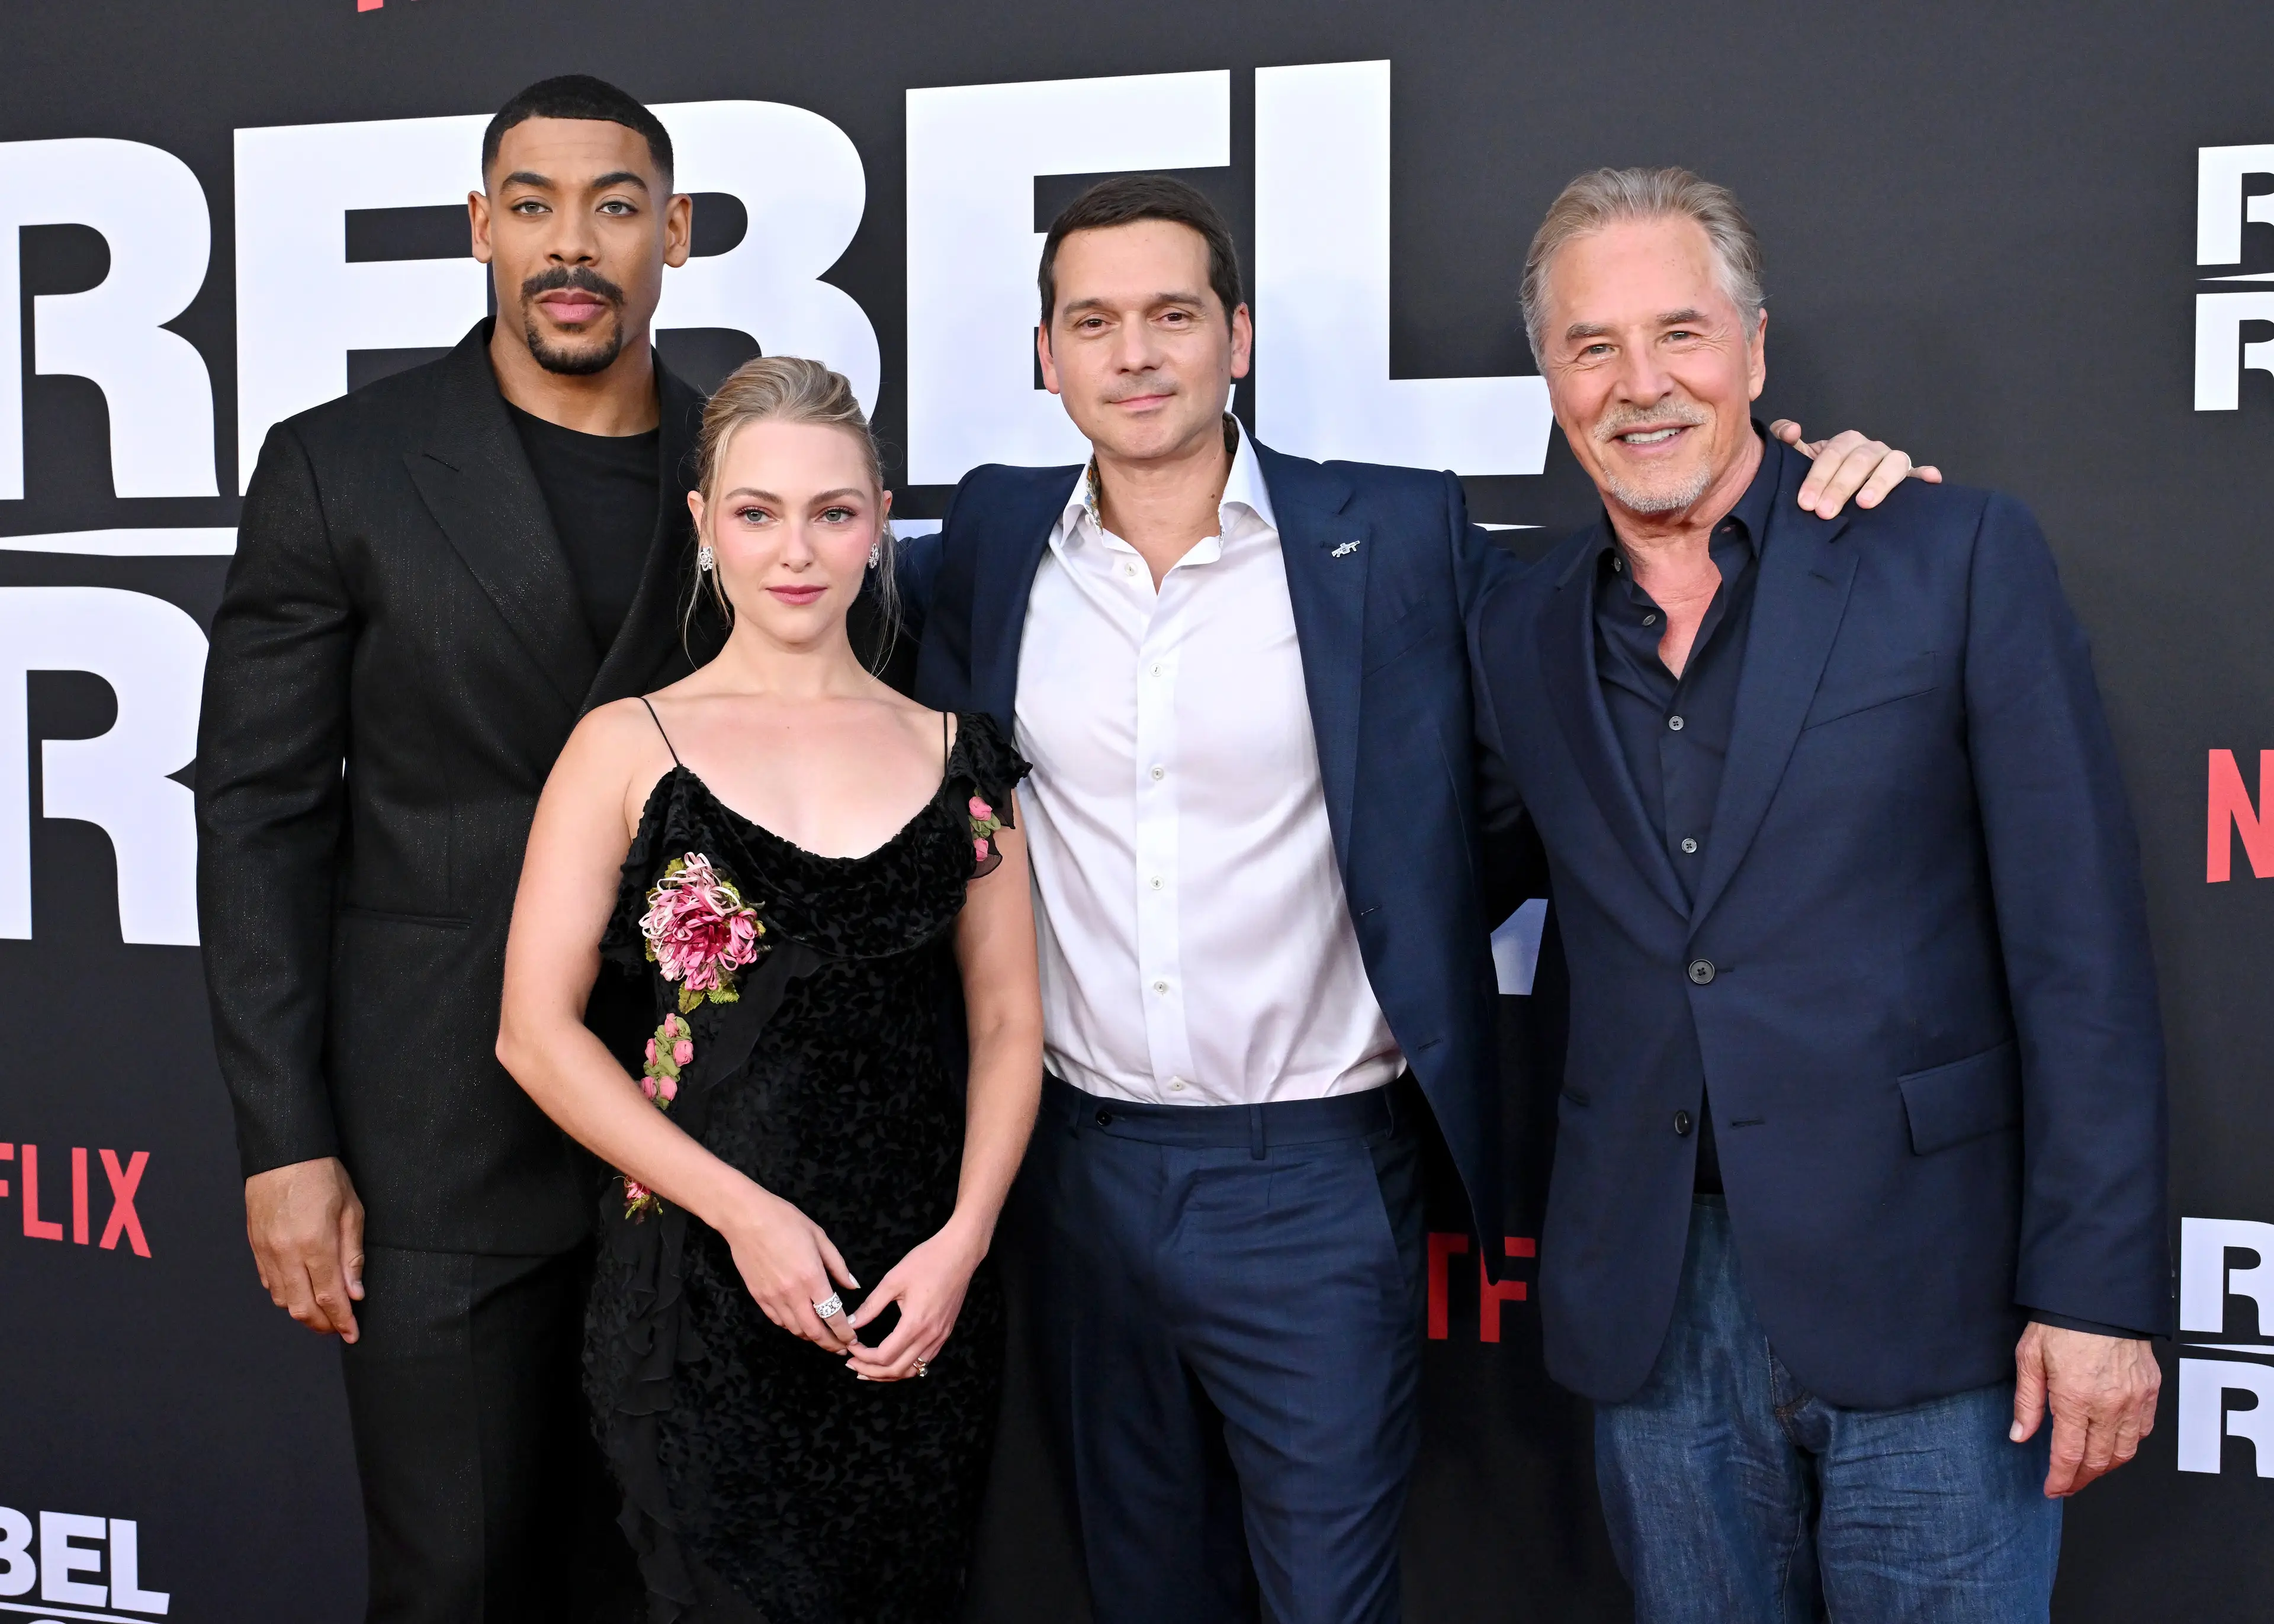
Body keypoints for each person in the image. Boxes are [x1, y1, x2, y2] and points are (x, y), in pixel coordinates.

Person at [908, 173, 1924, 1624]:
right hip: (1075, 1171)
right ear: (1045, 355)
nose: (1136, 354)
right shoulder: (996, 549)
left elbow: (1622, 647)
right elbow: (800, 584)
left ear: (1237, 338)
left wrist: (1840, 491)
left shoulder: (1394, 535)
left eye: (1174, 315)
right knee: (1139, 1591)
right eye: (1094, 321)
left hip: (1316, 1182)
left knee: (1333, 1602)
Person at [1468, 167, 2168, 1623]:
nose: (1640, 385)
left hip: (1934, 1290)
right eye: (1593, 346)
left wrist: (2096, 1294)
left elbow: (2081, 953)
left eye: (1682, 334)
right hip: (1651, 1306)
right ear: (1549, 378)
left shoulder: (1948, 555)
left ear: (1758, 351)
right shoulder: (1516, 623)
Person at [197, 75, 708, 1622]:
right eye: (535, 205)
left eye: (615, 205)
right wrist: (286, 1141)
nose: (575, 243)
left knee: (672, 1575)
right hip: (436, 1137)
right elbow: (263, 813)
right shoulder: (338, 464)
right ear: (482, 227)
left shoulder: (750, 467)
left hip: (699, 1136)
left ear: (672, 234)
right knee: (459, 1583)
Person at [496, 356, 1043, 1624]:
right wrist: (742, 1214)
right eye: (757, 512)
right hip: (697, 1304)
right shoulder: (627, 745)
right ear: (704, 527)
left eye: (833, 513)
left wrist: (963, 1245)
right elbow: (534, 1035)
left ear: (879, 523)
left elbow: (1012, 1021)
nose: (795, 551)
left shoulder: (957, 752)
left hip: (918, 1303)